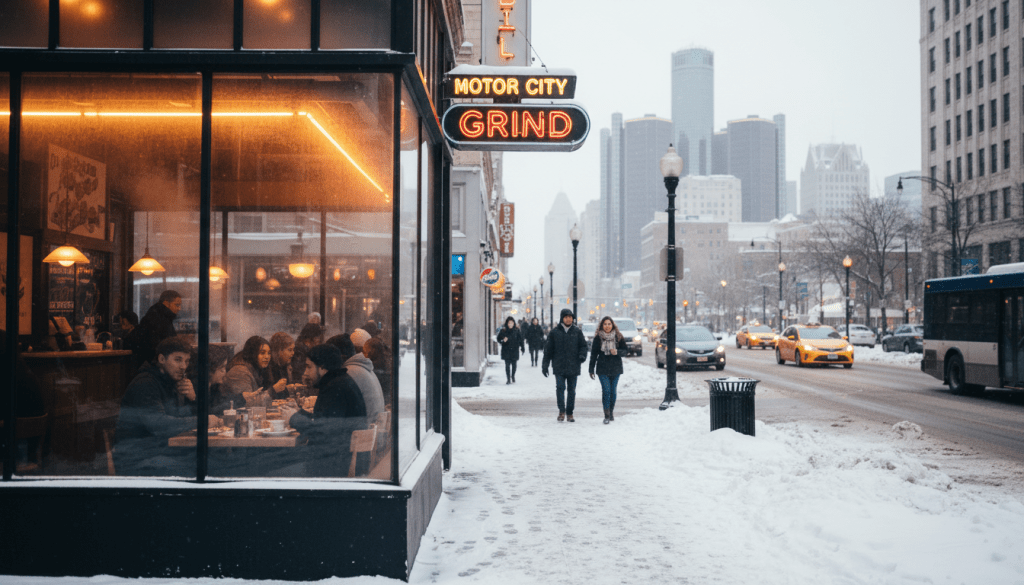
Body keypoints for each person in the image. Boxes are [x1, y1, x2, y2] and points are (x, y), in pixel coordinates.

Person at [113, 336, 198, 476]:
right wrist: (202, 422)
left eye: (186, 361)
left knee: (207, 460)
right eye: (178, 359)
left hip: (155, 451)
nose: (183, 366)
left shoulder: (168, 381)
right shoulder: (146, 383)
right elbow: (159, 425)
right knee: (200, 467)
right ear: (162, 359)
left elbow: (178, 416)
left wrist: (192, 399)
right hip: (135, 460)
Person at [279, 344, 367, 477]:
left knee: (270, 472)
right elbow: (325, 423)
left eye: (309, 367)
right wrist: (300, 412)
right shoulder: (340, 382)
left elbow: (323, 432)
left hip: (332, 467)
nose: (305, 372)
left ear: (322, 367)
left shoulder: (334, 388)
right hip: (339, 460)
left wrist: (294, 418)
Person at [327, 334, 385, 426]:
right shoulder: (362, 368)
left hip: (360, 436)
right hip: (369, 433)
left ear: (340, 356)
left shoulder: (348, 373)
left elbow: (333, 418)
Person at [542, 308, 588, 422]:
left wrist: (582, 356)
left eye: (570, 317)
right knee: (560, 388)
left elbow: (583, 346)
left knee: (572, 390)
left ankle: (570, 413)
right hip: (559, 366)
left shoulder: (577, 331)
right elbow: (548, 350)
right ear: (562, 318)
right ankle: (561, 411)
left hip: (573, 366)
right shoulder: (554, 332)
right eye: (566, 317)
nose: (568, 319)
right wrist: (545, 365)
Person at [588, 316, 628, 425]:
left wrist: (618, 352)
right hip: (602, 368)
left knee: (613, 392)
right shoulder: (598, 338)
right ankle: (606, 415)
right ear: (601, 326)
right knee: (606, 391)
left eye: (609, 324)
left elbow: (625, 351)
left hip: (616, 368)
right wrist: (591, 369)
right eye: (605, 324)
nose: (607, 326)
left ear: (612, 325)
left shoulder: (618, 337)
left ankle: (611, 412)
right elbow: (593, 355)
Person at [223, 336, 284, 405]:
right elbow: (248, 403)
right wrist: (273, 390)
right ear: (252, 353)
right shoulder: (240, 372)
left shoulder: (258, 368)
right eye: (262, 353)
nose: (267, 357)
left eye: (269, 353)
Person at [130, 290, 182, 369]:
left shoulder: (157, 316)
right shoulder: (160, 320)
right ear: (166, 303)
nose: (179, 308)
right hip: (157, 365)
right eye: (177, 305)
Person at [185, 344, 234, 413]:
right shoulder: (191, 387)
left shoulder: (216, 386)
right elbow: (207, 412)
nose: (224, 371)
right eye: (221, 367)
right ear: (208, 368)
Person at [291, 323, 324, 389]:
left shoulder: (299, 348)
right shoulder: (301, 351)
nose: (319, 342)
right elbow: (300, 373)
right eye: (318, 339)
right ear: (314, 338)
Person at [496, 316, 525, 384]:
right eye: (509, 323)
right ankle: (508, 379)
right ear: (507, 323)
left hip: (515, 350)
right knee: (507, 365)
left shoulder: (517, 330)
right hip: (506, 350)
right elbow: (498, 339)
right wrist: (503, 340)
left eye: (511, 323)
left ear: (514, 323)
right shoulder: (503, 330)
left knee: (514, 365)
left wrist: (522, 348)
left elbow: (521, 340)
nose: (510, 324)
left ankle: (513, 375)